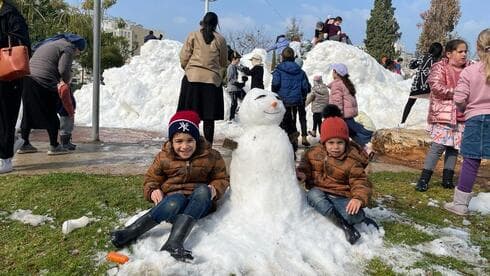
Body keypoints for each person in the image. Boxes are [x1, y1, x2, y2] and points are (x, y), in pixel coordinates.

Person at [110, 110, 229, 261]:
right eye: (179, 141)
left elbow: (222, 178)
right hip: (171, 207)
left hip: (198, 207)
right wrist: (153, 190)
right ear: (171, 141)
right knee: (176, 199)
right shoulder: (163, 157)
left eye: (189, 140)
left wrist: (215, 189)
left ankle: (174, 242)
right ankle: (130, 232)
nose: (184, 146)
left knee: (203, 190)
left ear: (197, 140)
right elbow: (151, 179)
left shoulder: (211, 155)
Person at [296, 116, 377, 245]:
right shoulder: (313, 153)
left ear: (346, 142)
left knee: (352, 215)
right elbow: (305, 168)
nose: (335, 147)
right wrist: (303, 174)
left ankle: (359, 218)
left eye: (340, 143)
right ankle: (346, 227)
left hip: (341, 197)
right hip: (320, 193)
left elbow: (360, 182)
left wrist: (358, 199)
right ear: (324, 142)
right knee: (313, 194)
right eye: (331, 143)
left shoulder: (352, 160)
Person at [444, 28, 490, 215]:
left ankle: (461, 205)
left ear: (478, 49)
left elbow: (459, 97)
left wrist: (465, 109)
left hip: (476, 119)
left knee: (471, 161)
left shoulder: (470, 71)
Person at [18, 34, 86, 155]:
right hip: (44, 81)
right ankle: (54, 146)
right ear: (77, 47)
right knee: (50, 113)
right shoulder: (68, 48)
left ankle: (24, 144)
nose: (77, 55)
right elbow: (63, 69)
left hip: (27, 79)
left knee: (27, 114)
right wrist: (67, 80)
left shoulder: (50, 43)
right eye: (79, 52)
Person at [415, 39, 469, 192]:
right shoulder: (439, 67)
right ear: (449, 53)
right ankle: (424, 179)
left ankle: (447, 180)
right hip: (444, 114)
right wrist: (460, 92)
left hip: (462, 115)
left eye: (465, 51)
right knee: (438, 147)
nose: (464, 54)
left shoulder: (470, 68)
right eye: (460, 51)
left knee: (454, 148)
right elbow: (437, 87)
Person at [177, 12, 228, 145]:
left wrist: (188, 69)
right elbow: (223, 62)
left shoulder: (193, 35)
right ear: (216, 24)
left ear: (203, 22)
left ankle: (188, 144)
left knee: (189, 116)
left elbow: (183, 57)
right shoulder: (220, 40)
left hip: (192, 80)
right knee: (208, 118)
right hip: (211, 82)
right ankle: (208, 147)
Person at [0, 0, 30, 173]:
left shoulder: (11, 14)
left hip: (9, 74)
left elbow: (22, 41)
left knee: (6, 115)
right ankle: (12, 141)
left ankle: (5, 159)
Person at [328, 63, 374, 158]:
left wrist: (336, 115)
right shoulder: (346, 83)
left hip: (342, 115)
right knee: (351, 133)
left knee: (338, 134)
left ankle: (338, 153)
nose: (332, 73)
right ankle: (366, 149)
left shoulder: (337, 85)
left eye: (333, 71)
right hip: (348, 114)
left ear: (336, 73)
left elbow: (337, 101)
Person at [272, 47, 311, 153]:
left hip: (284, 100)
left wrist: (275, 94)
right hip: (298, 99)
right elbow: (305, 87)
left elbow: (275, 84)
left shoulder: (278, 70)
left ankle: (290, 140)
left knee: (287, 120)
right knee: (302, 117)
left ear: (283, 57)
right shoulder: (301, 71)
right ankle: (303, 137)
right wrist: (302, 96)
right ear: (293, 57)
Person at [400, 42, 443, 126]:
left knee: (410, 103)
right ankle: (435, 123)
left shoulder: (423, 57)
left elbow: (411, 66)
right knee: (436, 103)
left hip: (418, 85)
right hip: (430, 86)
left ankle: (402, 122)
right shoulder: (438, 61)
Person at [226, 50, 244, 122]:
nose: (239, 61)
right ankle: (231, 117)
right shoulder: (231, 67)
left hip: (236, 88)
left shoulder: (235, 66)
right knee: (234, 103)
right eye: (238, 60)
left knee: (239, 101)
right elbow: (230, 79)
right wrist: (237, 83)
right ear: (233, 59)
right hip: (232, 88)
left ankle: (233, 116)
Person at [57, 82, 76, 150]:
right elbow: (66, 101)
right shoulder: (64, 87)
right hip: (66, 111)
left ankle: (67, 142)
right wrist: (70, 111)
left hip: (66, 111)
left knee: (68, 127)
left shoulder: (64, 86)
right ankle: (64, 144)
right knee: (65, 128)